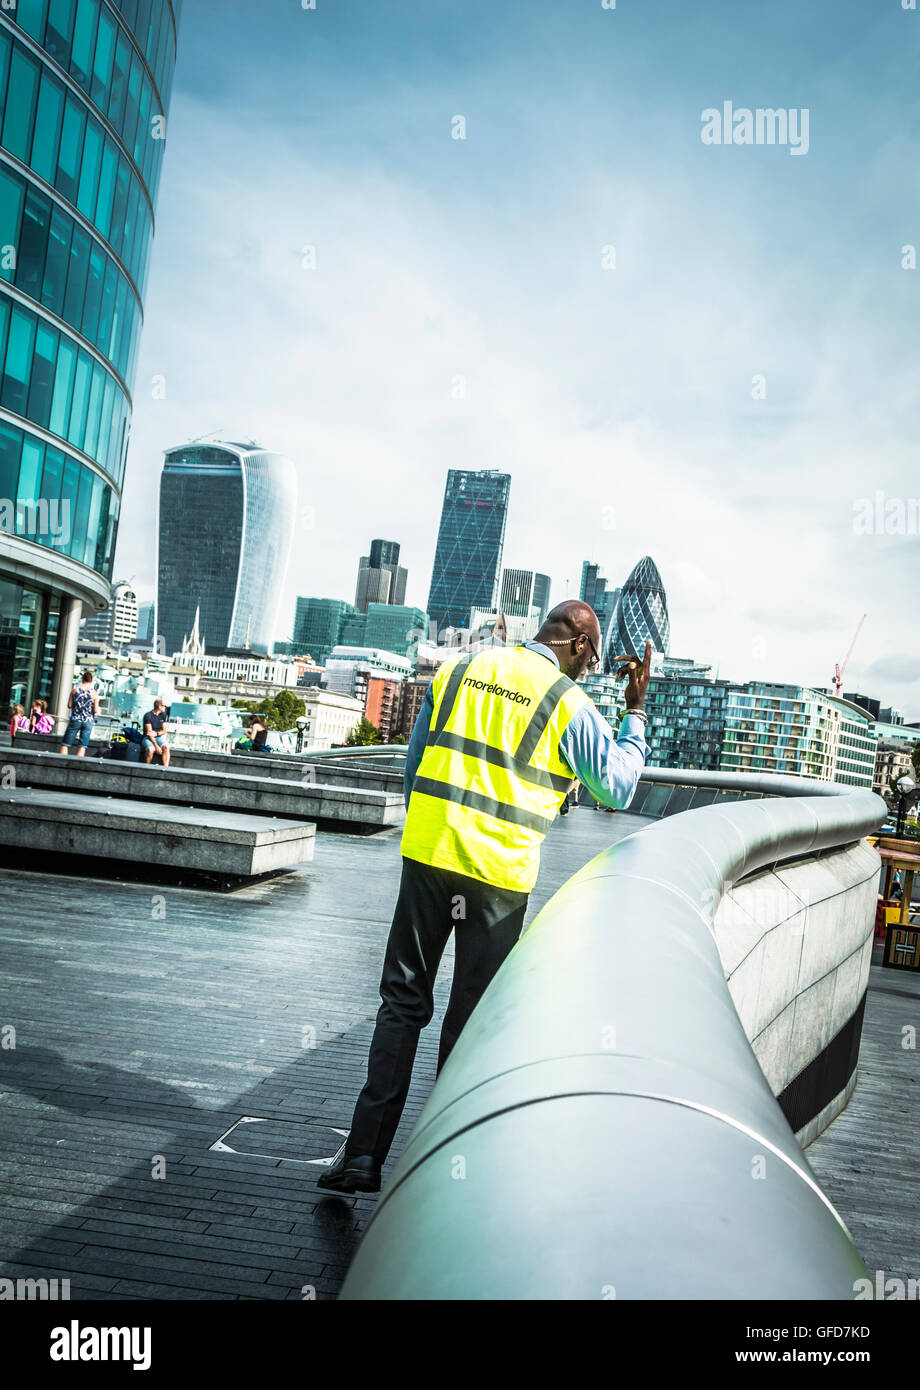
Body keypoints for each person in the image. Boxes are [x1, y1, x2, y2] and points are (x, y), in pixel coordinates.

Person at [318, 599, 651, 1195]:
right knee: (469, 1021)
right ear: (578, 644)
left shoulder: (458, 668)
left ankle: (363, 1157)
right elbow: (618, 787)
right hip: (498, 875)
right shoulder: (567, 702)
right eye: (592, 657)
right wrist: (636, 713)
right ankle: (443, 1172)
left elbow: (415, 762)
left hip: (429, 852)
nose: (589, 668)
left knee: (401, 1004)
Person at [58, 672, 99, 756]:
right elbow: (95, 710)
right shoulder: (94, 693)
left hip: (75, 719)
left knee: (65, 744)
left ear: (82, 679)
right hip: (88, 721)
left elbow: (69, 705)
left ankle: (61, 761)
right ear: (91, 681)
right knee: (82, 746)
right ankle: (78, 764)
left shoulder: (75, 690)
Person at [142, 699, 170, 766]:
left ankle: (165, 768)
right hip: (147, 738)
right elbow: (149, 733)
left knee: (166, 747)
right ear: (159, 706)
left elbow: (164, 730)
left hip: (158, 736)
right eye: (164, 706)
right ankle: (146, 768)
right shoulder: (148, 716)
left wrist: (157, 733)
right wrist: (156, 746)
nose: (165, 707)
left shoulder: (163, 715)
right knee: (150, 750)